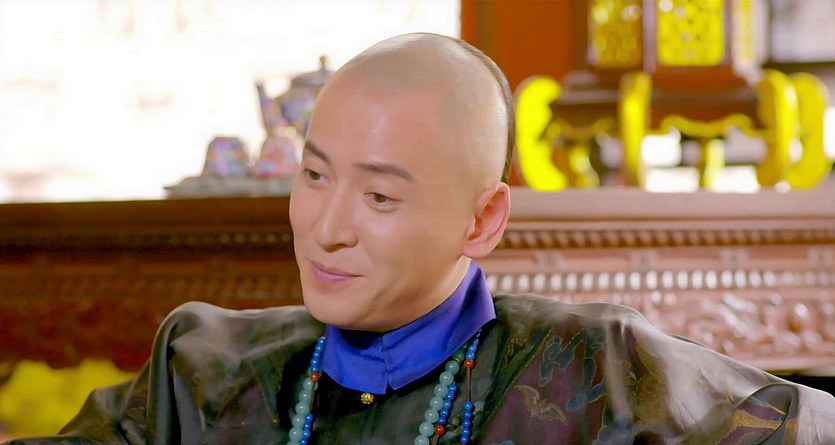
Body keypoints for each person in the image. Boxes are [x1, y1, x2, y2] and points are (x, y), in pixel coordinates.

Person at [6, 33, 835, 445]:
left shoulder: (594, 371)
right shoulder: (202, 372)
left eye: (379, 195)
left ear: (482, 220)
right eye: (314, 175)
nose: (327, 228)